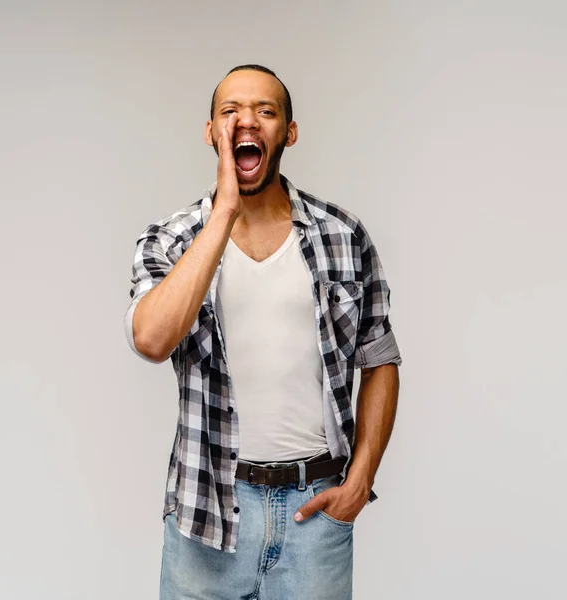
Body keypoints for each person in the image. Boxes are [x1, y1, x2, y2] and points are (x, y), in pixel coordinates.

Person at [124, 64, 402, 600]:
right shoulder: (171, 240)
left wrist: (360, 478)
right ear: (211, 132)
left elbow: (381, 358)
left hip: (314, 514)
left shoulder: (342, 235)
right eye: (230, 111)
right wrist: (225, 209)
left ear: (289, 133)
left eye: (265, 111)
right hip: (206, 515)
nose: (245, 121)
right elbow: (152, 340)